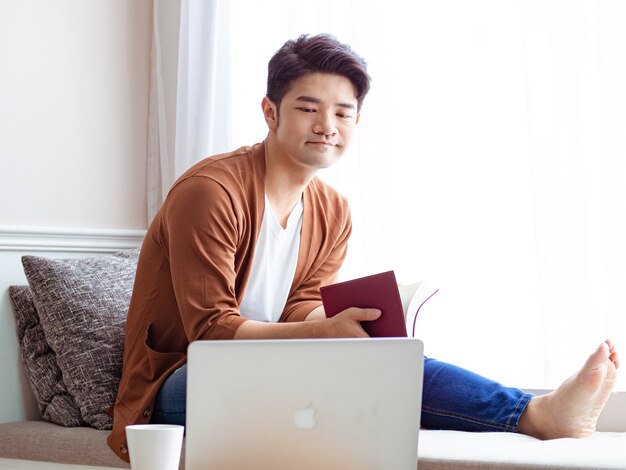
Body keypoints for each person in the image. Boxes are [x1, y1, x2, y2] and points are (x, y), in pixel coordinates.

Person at [108, 33, 620, 461]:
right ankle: (532, 415)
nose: (326, 126)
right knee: (349, 368)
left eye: (343, 113)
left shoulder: (332, 210)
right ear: (270, 111)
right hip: (178, 381)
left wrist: (348, 324)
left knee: (386, 360)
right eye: (308, 108)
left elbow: (299, 305)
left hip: (267, 366)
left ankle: (533, 414)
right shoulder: (211, 192)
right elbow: (211, 333)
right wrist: (323, 334)